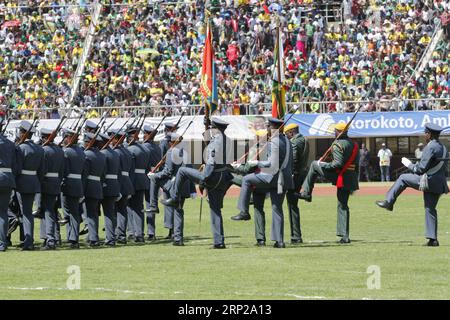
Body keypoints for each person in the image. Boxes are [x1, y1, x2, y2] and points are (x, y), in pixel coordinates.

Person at [162, 117, 233, 249]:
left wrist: (204, 178)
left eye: (211, 127)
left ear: (215, 129)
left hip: (211, 176)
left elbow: (211, 161)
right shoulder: (227, 140)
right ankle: (219, 242)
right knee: (215, 210)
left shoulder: (216, 141)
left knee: (182, 171)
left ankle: (174, 198)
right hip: (223, 177)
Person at [376, 123, 448, 247]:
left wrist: (409, 165)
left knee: (403, 178)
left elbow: (420, 169)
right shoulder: (443, 148)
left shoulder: (430, 147)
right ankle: (433, 239)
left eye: (425, 133)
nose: (424, 135)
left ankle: (389, 202)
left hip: (428, 181)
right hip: (439, 184)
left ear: (429, 134)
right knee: (430, 209)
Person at [232, 118, 294, 248]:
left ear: (273, 128)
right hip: (284, 179)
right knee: (277, 208)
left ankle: (244, 211)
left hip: (271, 178)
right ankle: (279, 241)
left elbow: (271, 163)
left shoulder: (273, 143)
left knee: (247, 180)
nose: (267, 130)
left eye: (269, 127)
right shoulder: (287, 141)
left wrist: (254, 163)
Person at [296, 122, 359, 244]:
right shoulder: (354, 144)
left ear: (338, 132)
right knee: (343, 205)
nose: (334, 132)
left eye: (335, 130)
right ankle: (344, 236)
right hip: (350, 177)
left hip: (340, 175)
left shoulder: (338, 144)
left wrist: (324, 165)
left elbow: (337, 164)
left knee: (314, 165)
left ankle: (306, 193)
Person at [148, 133, 190, 246]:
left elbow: (168, 172)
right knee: (179, 210)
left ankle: (153, 205)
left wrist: (154, 175)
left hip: (175, 185)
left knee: (154, 178)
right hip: (184, 185)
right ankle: (178, 238)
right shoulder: (186, 152)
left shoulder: (171, 151)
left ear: (171, 142)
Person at [15, 120, 45, 250]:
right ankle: (27, 239)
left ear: (23, 134)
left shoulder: (21, 148)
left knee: (25, 213)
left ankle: (28, 241)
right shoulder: (39, 149)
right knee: (26, 213)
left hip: (21, 182)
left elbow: (17, 168)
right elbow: (42, 170)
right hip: (33, 182)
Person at [40, 128, 65, 250]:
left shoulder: (44, 150)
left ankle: (50, 239)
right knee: (52, 211)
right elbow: (62, 171)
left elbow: (42, 169)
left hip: (46, 183)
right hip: (56, 183)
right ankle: (54, 237)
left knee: (48, 212)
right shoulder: (60, 150)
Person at [61, 128, 86, 249]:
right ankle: (73, 237)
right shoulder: (81, 151)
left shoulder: (66, 152)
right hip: (78, 184)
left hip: (68, 184)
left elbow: (63, 170)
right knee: (74, 213)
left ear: (68, 138)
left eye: (65, 137)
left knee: (68, 213)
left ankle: (72, 237)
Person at [284, 123, 309, 244]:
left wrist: (290, 173)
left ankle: (296, 235)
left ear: (291, 132)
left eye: (287, 134)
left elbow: (293, 160)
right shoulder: (304, 139)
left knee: (292, 205)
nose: (286, 136)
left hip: (295, 176)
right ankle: (295, 234)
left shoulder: (294, 142)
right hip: (302, 174)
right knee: (293, 205)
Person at [127, 126, 151, 243]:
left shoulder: (130, 150)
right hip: (143, 179)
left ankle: (132, 232)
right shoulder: (145, 149)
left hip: (133, 180)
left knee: (130, 207)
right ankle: (139, 233)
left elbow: (129, 168)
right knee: (139, 207)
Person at [82, 132, 106, 247]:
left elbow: (84, 174)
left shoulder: (86, 155)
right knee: (94, 214)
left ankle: (93, 239)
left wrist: (82, 190)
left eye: (85, 142)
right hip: (97, 187)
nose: (84, 143)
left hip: (89, 187)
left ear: (89, 142)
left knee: (90, 214)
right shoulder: (102, 155)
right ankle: (93, 236)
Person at [111, 129, 134, 244]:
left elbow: (118, 171)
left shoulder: (116, 152)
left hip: (119, 183)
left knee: (116, 210)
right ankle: (121, 234)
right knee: (122, 210)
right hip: (127, 183)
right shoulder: (127, 151)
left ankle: (118, 234)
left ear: (116, 139)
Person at [99, 132, 121, 247]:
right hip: (114, 185)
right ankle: (111, 237)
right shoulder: (115, 153)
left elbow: (102, 172)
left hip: (105, 186)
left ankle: (105, 238)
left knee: (99, 213)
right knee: (110, 213)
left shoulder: (102, 154)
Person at [142, 124, 162, 240]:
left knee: (144, 205)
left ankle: (142, 231)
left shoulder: (145, 147)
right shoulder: (157, 147)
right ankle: (151, 231)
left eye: (144, 133)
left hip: (145, 176)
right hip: (155, 177)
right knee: (151, 204)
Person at [0, 119, 17, 252]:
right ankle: (2, 243)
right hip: (8, 178)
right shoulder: (11, 144)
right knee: (3, 213)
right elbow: (15, 165)